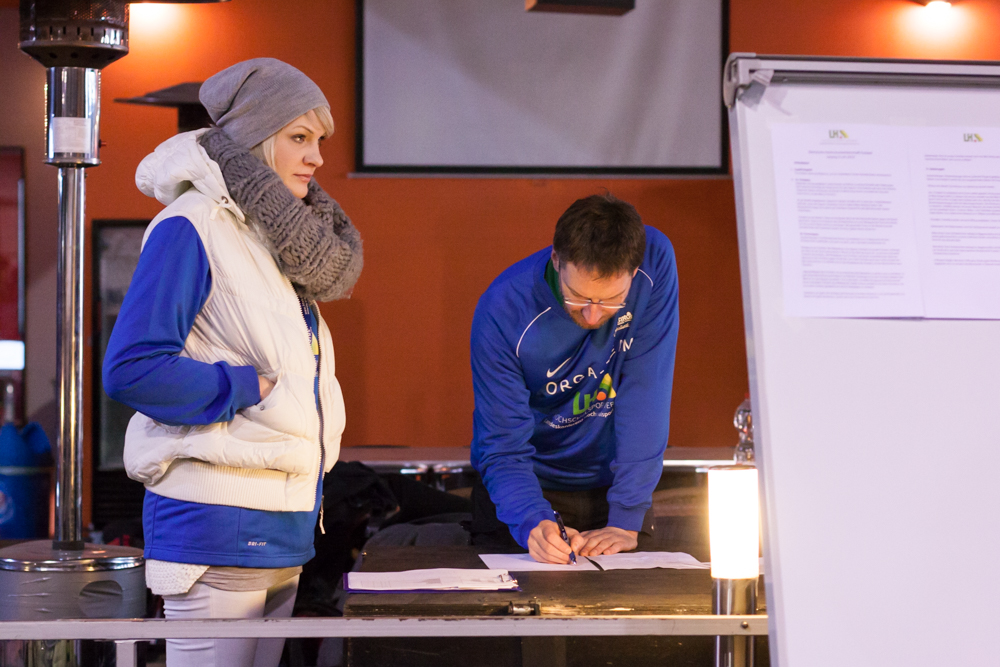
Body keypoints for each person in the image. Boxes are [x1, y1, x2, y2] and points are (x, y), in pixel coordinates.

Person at [103, 58, 362, 666]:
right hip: (216, 524)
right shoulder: (193, 224)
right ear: (258, 137)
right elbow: (132, 367)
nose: (316, 157)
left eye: (319, 141)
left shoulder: (268, 236)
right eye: (300, 137)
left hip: (281, 523)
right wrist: (247, 386)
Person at [469, 194, 678, 564]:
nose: (593, 316)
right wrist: (531, 519)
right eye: (578, 297)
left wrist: (627, 516)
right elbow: (502, 444)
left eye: (612, 300)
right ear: (556, 260)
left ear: (634, 272)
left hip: (614, 488)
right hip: (527, 489)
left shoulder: (655, 261)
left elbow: (646, 393)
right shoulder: (502, 309)